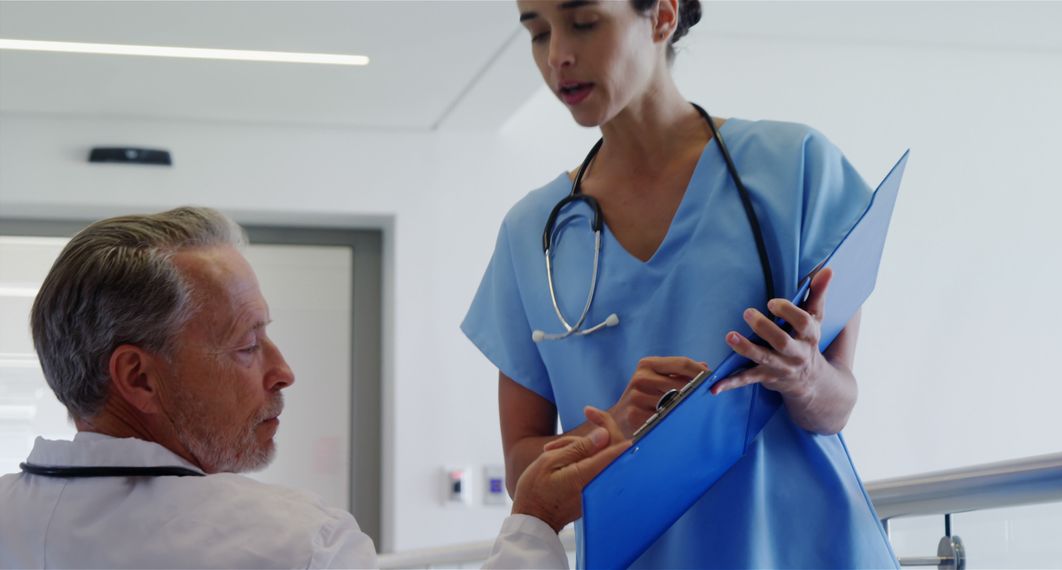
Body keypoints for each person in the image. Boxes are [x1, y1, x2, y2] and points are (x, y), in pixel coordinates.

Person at [462, 0, 897, 567]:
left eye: (584, 22)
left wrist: (805, 374)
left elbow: (836, 406)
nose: (558, 56)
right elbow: (525, 474)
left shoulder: (795, 170)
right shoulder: (532, 232)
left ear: (662, 16)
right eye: (538, 32)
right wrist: (607, 431)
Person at [0, 207, 628, 569]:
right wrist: (537, 520)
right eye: (247, 345)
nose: (282, 370)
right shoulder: (285, 544)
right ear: (138, 377)